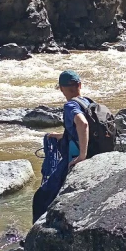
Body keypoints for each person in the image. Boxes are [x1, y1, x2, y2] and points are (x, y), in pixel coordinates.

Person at [31, 70, 90, 221]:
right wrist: (61, 136)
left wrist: (82, 156)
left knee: (41, 198)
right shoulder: (89, 102)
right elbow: (80, 130)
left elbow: (82, 124)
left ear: (61, 89)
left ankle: (35, 237)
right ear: (80, 85)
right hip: (95, 151)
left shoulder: (70, 106)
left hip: (74, 157)